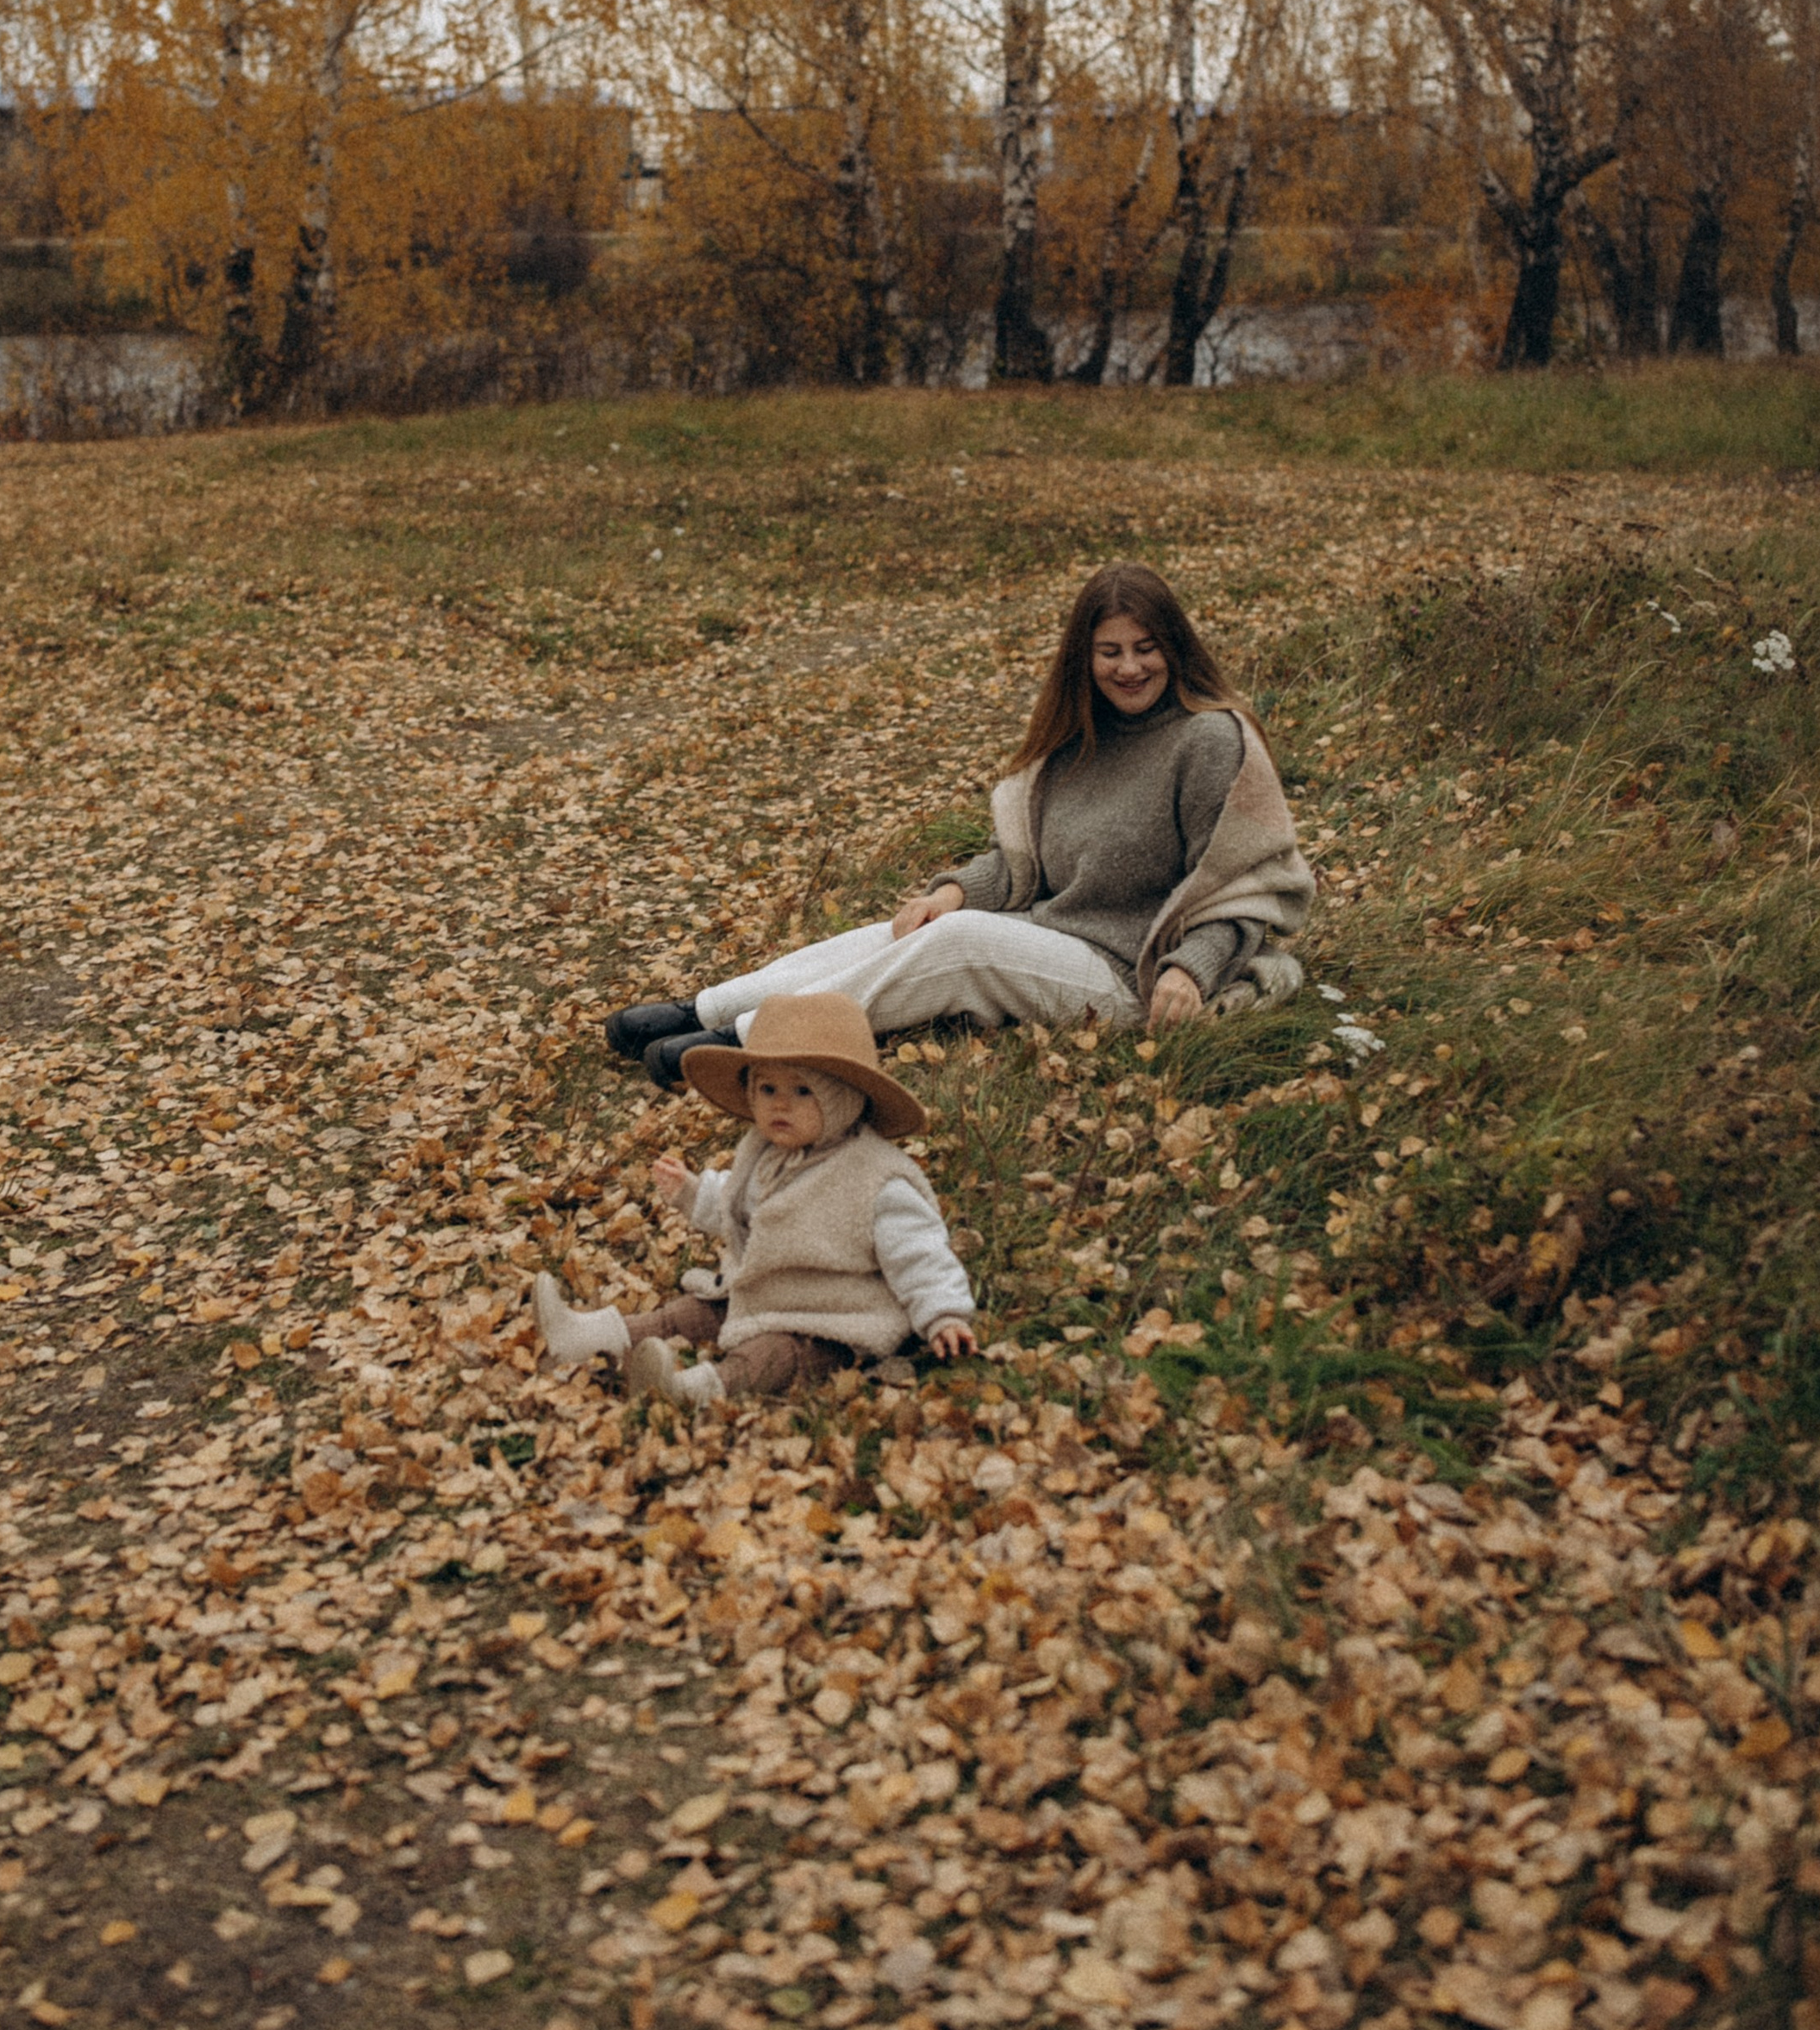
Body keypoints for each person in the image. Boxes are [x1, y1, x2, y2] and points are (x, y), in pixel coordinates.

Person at [605, 558, 1313, 1084]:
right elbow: (1021, 864)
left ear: (1174, 647)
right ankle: (704, 1010)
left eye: (1145, 647)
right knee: (922, 928)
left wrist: (1192, 970)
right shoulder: (1081, 741)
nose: (1129, 667)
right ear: (1084, 657)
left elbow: (1241, 885)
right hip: (1059, 935)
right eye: (1110, 651)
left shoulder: (1209, 739)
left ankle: (757, 1040)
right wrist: (949, 892)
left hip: (1137, 977)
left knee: (962, 945)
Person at [531, 993, 977, 1407]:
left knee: (777, 1355)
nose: (780, 1104)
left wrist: (944, 1314)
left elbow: (918, 1252)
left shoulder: (878, 1179)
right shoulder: (767, 1155)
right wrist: (691, 1191)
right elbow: (739, 1203)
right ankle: (591, 1335)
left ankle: (697, 1389)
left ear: (842, 1099)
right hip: (766, 1293)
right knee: (694, 1312)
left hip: (834, 1319)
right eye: (768, 1090)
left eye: (802, 1091)